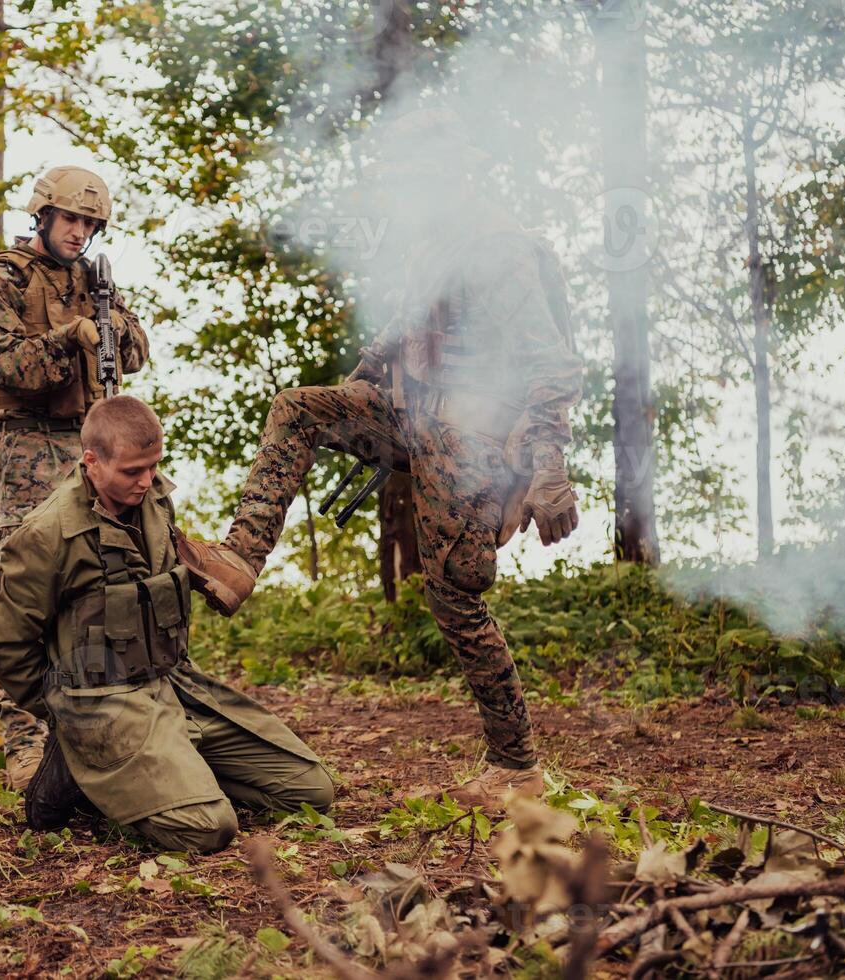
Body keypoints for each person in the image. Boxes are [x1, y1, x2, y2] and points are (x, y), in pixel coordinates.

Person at [176, 108, 583, 811]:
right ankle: (241, 558)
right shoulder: (435, 242)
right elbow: (405, 327)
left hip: (471, 439)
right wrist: (359, 386)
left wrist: (547, 468)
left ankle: (516, 766)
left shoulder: (498, 246)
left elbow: (552, 363)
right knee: (297, 407)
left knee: (454, 592)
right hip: (413, 416)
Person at [0, 396, 333, 853]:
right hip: (105, 707)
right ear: (91, 462)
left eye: (154, 466)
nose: (147, 481)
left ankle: (174, 770)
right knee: (210, 828)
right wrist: (68, 716)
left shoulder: (155, 504)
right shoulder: (45, 536)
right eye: (133, 471)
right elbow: (6, 648)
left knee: (311, 789)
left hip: (175, 688)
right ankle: (81, 769)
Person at [0, 165, 149, 789]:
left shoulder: (96, 281)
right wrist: (71, 338)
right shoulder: (1, 277)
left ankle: (97, 719)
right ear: (42, 215)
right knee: (24, 575)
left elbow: (139, 350)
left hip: (91, 440)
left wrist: (116, 329)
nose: (80, 232)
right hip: (27, 443)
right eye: (71, 218)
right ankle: (24, 734)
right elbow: (9, 366)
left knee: (107, 573)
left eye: (91, 223)